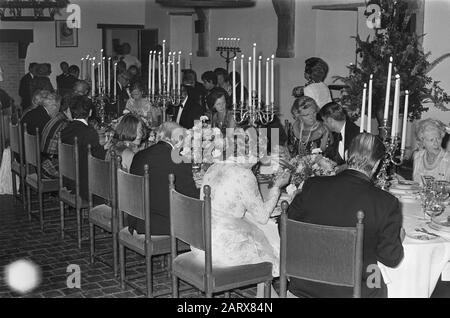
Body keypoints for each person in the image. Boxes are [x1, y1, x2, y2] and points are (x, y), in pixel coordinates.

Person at [287, 133, 404, 298]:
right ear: (377, 164)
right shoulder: (386, 202)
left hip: (304, 285)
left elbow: (286, 229)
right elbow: (391, 259)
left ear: (347, 154)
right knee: (380, 279)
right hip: (355, 291)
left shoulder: (313, 186)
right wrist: (398, 236)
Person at [191, 129, 291, 297]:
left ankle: (267, 291)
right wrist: (276, 187)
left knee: (266, 231)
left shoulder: (214, 167)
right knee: (275, 236)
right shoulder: (244, 174)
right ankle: (277, 291)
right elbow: (262, 216)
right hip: (221, 250)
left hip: (200, 241)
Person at [128, 121, 199, 235]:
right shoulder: (178, 160)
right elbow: (192, 197)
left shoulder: (139, 155)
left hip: (138, 220)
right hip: (163, 224)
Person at [61, 95, 106, 201]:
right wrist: (106, 149)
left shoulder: (65, 130)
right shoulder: (89, 132)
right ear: (90, 112)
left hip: (69, 182)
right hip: (85, 187)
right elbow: (98, 161)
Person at [40, 95, 72, 179]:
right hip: (52, 168)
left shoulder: (56, 118)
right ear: (68, 110)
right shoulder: (65, 124)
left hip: (44, 163)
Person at [319, 101, 360, 165]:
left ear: (330, 120)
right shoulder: (337, 134)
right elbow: (329, 154)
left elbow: (357, 162)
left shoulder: (356, 134)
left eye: (324, 121)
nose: (323, 124)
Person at [413, 118, 450, 184]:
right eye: (431, 140)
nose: (436, 143)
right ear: (422, 142)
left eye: (438, 138)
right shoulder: (417, 156)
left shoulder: (448, 160)